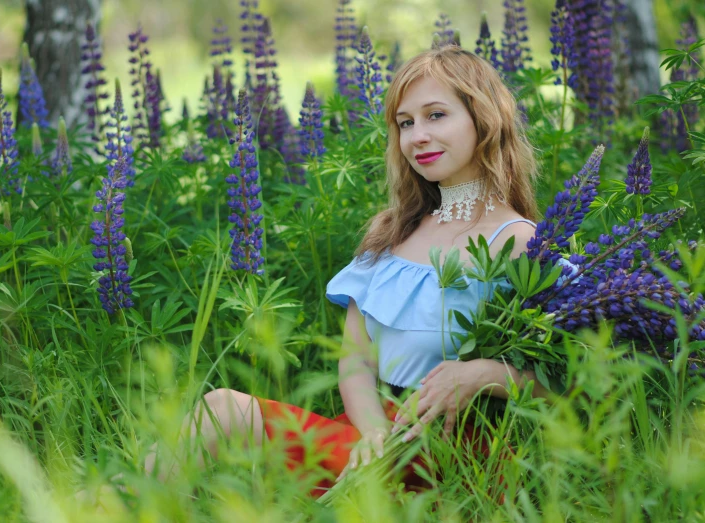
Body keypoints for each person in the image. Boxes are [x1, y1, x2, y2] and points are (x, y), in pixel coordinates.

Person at [133, 44, 552, 498]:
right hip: (376, 437)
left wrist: (480, 374)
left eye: (436, 115)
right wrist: (372, 433)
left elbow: (563, 386)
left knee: (224, 409)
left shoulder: (520, 240)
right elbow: (354, 360)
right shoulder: (393, 233)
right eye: (405, 123)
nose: (417, 137)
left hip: (455, 451)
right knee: (219, 413)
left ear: (484, 119)